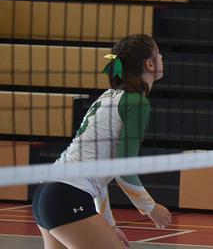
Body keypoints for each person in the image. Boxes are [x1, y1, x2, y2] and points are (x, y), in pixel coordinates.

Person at [31, 34, 172, 249]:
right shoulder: (137, 103)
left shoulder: (108, 96)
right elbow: (124, 169)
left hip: (48, 195)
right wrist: (151, 208)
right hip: (68, 197)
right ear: (149, 63)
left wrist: (109, 225)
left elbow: (99, 177)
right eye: (159, 53)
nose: (162, 57)